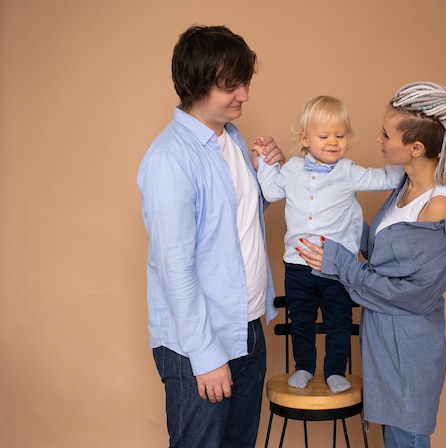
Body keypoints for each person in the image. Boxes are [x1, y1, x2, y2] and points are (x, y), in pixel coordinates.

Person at [298, 82, 446, 447]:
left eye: (387, 134)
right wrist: (334, 221)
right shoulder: (404, 190)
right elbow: (386, 255)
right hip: (385, 347)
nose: (378, 138)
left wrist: (340, 262)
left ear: (415, 148)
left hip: (409, 353)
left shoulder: (439, 206)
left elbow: (412, 294)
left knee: (406, 439)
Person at [137, 25, 285, 448]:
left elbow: (241, 218)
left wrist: (271, 172)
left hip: (248, 327)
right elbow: (175, 269)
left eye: (245, 82)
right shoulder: (170, 160)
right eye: (230, 85)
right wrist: (205, 357)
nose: (244, 95)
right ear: (194, 84)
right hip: (198, 345)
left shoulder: (231, 138)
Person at [252, 95, 404, 393]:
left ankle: (335, 369)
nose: (333, 142)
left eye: (340, 135)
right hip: (296, 267)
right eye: (324, 136)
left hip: (337, 268)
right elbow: (269, 191)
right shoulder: (293, 170)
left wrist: (410, 156)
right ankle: (304, 367)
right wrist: (264, 161)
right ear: (305, 138)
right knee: (301, 321)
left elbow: (385, 178)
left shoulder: (348, 171)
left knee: (338, 320)